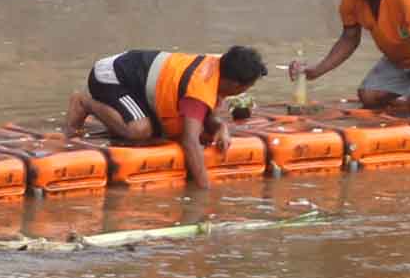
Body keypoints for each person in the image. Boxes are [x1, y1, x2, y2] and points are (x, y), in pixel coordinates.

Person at [66, 46, 268, 189]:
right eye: (247, 87)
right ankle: (84, 103)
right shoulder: (198, 89)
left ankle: (117, 115)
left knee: (176, 130)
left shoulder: (219, 65)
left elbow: (207, 117)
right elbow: (189, 142)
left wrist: (220, 127)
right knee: (139, 130)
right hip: (110, 76)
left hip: (139, 81)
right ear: (235, 85)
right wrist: (204, 191)